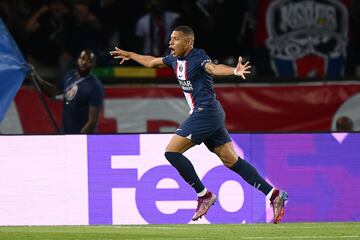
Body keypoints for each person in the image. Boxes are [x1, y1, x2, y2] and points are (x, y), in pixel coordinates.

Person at [110, 25, 288, 223]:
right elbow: (152, 62)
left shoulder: (198, 57)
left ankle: (204, 195)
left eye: (175, 39)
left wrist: (234, 71)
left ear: (188, 42)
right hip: (210, 114)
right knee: (231, 161)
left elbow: (213, 68)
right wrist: (131, 54)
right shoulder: (174, 59)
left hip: (207, 112)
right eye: (170, 38)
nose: (170, 42)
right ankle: (274, 195)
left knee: (172, 152)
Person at [31, 49, 104, 134]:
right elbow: (51, 91)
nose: (84, 62)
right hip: (65, 134)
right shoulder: (70, 75)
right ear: (77, 60)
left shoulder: (95, 86)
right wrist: (34, 74)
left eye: (89, 61)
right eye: (82, 58)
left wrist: (79, 139)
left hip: (81, 138)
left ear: (93, 64)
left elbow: (92, 121)